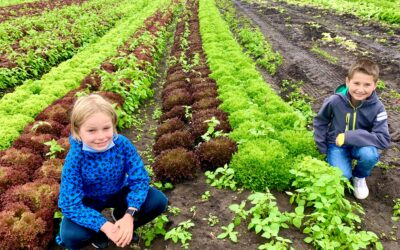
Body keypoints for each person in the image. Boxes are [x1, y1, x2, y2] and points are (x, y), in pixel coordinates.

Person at [56, 94, 168, 249]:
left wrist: (130, 214)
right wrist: (104, 226)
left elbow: (140, 178)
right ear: (77, 131)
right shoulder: (75, 158)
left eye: (106, 128)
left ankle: (121, 220)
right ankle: (99, 233)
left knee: (158, 201)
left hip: (119, 191)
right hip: (89, 201)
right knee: (70, 237)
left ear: (113, 125)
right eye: (91, 130)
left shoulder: (122, 144)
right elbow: (69, 204)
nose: (101, 136)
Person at [313, 58, 390, 199]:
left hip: (361, 146)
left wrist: (349, 137)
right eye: (356, 83)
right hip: (336, 145)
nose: (360, 89)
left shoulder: (378, 108)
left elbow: (383, 139)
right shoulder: (335, 101)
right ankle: (342, 165)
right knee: (342, 176)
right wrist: (322, 147)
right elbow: (320, 121)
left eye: (367, 84)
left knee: (369, 155)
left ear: (375, 85)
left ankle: (359, 176)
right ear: (348, 82)